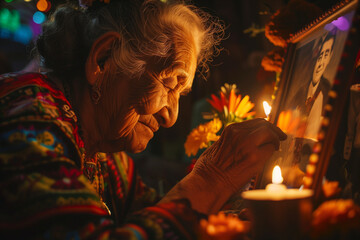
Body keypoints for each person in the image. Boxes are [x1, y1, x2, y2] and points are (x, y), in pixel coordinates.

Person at [0, 0, 286, 239]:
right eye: (170, 83)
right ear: (103, 58)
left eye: (181, 94)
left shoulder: (107, 158)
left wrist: (228, 216)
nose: (170, 116)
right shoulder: (29, 120)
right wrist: (213, 178)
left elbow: (150, 216)